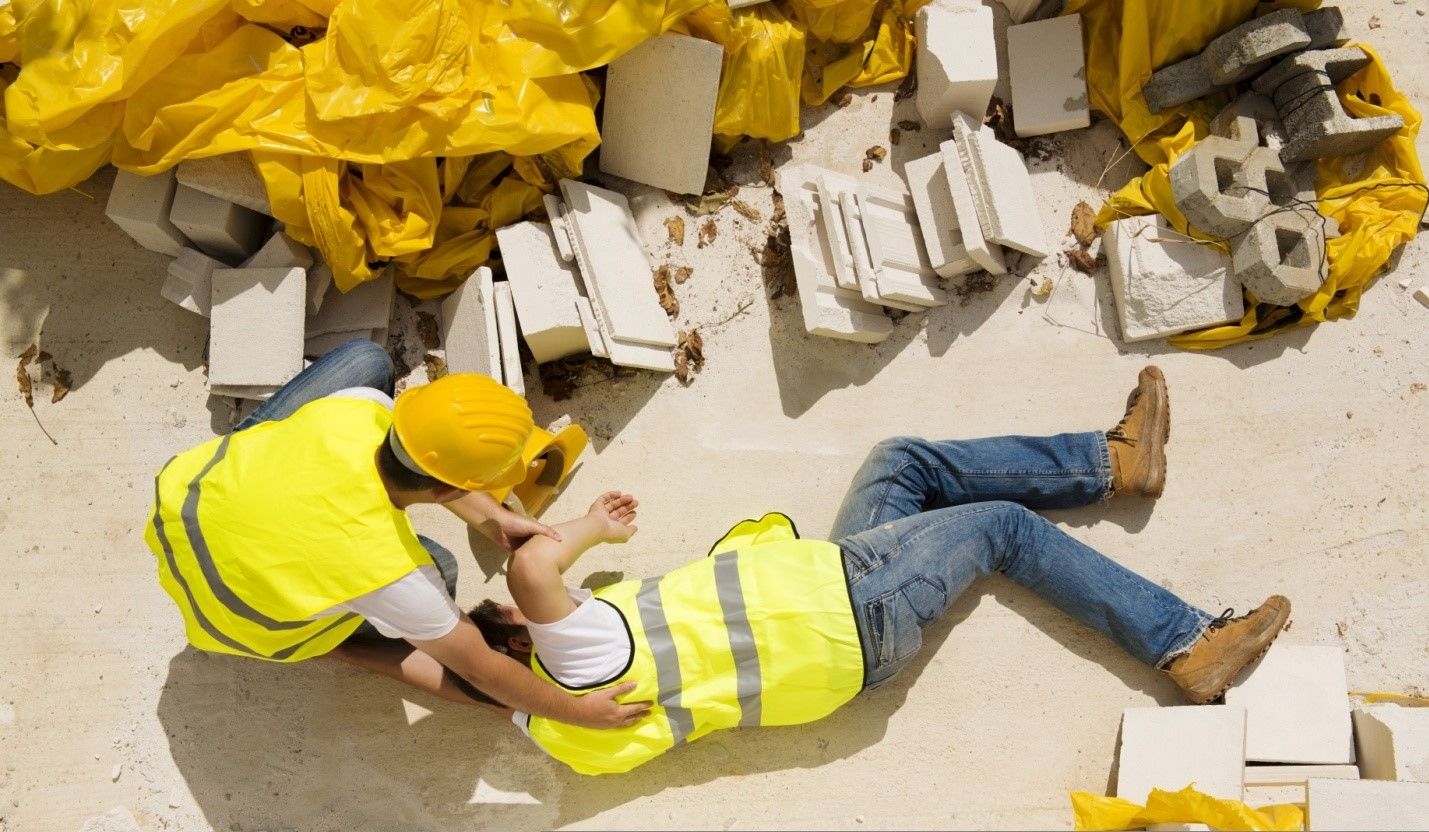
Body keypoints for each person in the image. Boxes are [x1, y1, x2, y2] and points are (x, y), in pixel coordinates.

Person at [470, 366, 1291, 774]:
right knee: (1003, 528)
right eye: (523, 622)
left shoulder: (559, 734)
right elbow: (534, 570)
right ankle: (1186, 644)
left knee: (900, 463)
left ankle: (1115, 462)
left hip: (836, 618)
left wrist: (395, 650)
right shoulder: (578, 658)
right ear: (519, 646)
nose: (561, 602)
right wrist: (588, 527)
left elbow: (457, 676)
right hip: (849, 604)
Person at [144, 339, 650, 729]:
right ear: (449, 489)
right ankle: (323, 640)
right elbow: (480, 672)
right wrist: (579, 713)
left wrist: (491, 516)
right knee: (444, 571)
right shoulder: (397, 575)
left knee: (365, 359)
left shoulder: (359, 408)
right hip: (236, 621)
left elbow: (426, 465)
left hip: (184, 506)